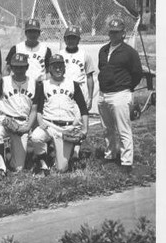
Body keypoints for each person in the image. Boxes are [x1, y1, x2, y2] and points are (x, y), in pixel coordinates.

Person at [97, 18, 142, 173]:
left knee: (123, 129)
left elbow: (137, 73)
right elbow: (102, 69)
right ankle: (110, 155)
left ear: (123, 33)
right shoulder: (103, 50)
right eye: (111, 32)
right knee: (107, 129)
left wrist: (127, 88)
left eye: (116, 32)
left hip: (120, 94)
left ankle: (126, 162)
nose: (113, 35)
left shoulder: (130, 52)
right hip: (104, 94)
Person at [31, 54, 89, 174]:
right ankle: (43, 162)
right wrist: (41, 122)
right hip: (49, 125)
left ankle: (67, 149)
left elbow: (83, 109)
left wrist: (85, 129)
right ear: (50, 69)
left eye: (60, 66)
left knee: (61, 168)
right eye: (54, 66)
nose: (58, 69)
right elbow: (39, 110)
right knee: (36, 137)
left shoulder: (73, 84)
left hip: (66, 128)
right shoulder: (43, 85)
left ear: (64, 67)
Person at [0, 53, 40, 180]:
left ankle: (4, 153)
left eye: (22, 67)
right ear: (11, 67)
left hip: (22, 124)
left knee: (18, 168)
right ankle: (2, 168)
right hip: (5, 120)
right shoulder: (3, 82)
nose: (19, 69)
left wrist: (27, 127)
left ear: (27, 67)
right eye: (16, 67)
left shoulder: (34, 84)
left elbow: (34, 110)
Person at [58, 25, 95, 159]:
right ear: (65, 39)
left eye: (74, 38)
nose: (71, 41)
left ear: (78, 39)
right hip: (64, 88)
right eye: (69, 38)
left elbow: (90, 76)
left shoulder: (84, 54)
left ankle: (76, 151)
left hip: (80, 87)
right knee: (65, 117)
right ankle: (63, 148)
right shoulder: (60, 54)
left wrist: (90, 97)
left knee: (79, 120)